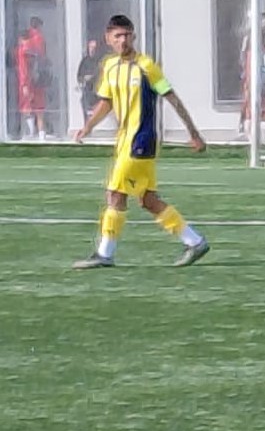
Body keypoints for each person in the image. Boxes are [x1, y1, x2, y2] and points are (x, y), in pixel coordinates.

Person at [71, 14, 209, 270]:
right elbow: (106, 102)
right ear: (108, 39)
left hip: (141, 142)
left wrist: (194, 133)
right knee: (147, 200)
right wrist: (88, 126)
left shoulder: (146, 66)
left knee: (115, 194)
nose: (123, 40)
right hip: (125, 142)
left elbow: (172, 98)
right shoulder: (109, 65)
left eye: (127, 35)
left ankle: (105, 254)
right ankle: (195, 241)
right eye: (118, 36)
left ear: (133, 36)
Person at [16, 16, 50, 140]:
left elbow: (23, 68)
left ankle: (30, 132)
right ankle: (41, 134)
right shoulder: (39, 40)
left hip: (28, 81)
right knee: (39, 107)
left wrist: (24, 83)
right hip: (38, 78)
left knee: (26, 107)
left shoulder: (24, 48)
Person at [75, 37, 103, 120]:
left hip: (97, 90)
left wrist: (93, 77)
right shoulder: (85, 61)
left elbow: (102, 73)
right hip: (87, 89)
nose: (92, 50)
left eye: (94, 48)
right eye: (91, 47)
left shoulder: (100, 61)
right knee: (84, 103)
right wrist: (83, 79)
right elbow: (79, 75)